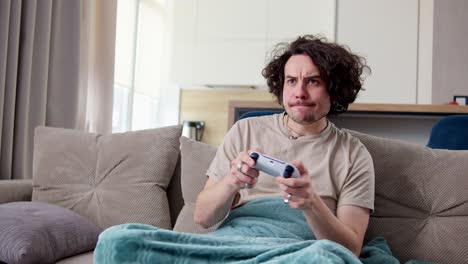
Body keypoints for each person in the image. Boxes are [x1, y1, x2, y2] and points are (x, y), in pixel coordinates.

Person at [194, 34, 374, 257]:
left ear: (335, 90)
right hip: (237, 242)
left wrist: (311, 203)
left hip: (303, 251)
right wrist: (232, 181)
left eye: (313, 81)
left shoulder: (354, 154)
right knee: (136, 237)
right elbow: (202, 218)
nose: (299, 92)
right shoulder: (245, 130)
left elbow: (350, 249)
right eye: (291, 81)